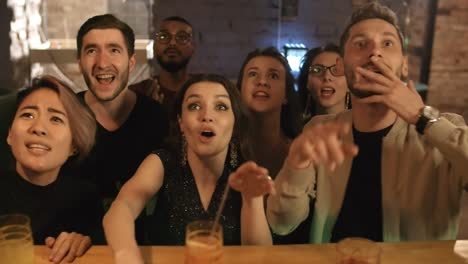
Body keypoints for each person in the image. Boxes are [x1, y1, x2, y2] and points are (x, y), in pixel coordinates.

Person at [267, 1, 468, 243]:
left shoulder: (442, 130)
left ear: (404, 65)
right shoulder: (320, 130)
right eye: (361, 44)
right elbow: (281, 223)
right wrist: (296, 163)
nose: (375, 53)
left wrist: (422, 118)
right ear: (341, 64)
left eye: (387, 43)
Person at [103, 74, 274, 263]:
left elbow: (259, 256)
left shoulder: (244, 174)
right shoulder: (162, 162)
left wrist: (253, 200)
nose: (207, 116)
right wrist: (126, 252)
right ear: (181, 123)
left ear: (234, 125)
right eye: (194, 106)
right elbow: (122, 208)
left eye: (221, 107)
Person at [74, 14, 169, 243]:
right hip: (74, 246)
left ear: (131, 62)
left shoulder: (156, 117)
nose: (103, 62)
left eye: (114, 50)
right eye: (91, 51)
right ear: (79, 62)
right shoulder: (65, 114)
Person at [0, 75, 103, 263]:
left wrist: (83, 243)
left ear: (74, 145)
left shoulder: (85, 199)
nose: (39, 128)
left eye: (55, 119)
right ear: (9, 135)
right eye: (28, 115)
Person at [237, 47, 301, 178]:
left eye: (273, 76)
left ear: (286, 95)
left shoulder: (299, 152)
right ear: (239, 90)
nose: (262, 82)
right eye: (253, 74)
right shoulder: (223, 150)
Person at [129, 16, 195, 112]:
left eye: (182, 37)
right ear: (154, 46)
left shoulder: (204, 90)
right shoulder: (135, 94)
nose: (172, 43)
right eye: (164, 36)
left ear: (193, 48)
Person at [298, 43, 350, 124]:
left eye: (336, 70)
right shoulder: (297, 132)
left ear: (349, 84)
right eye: (317, 70)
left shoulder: (365, 128)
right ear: (307, 82)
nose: (326, 77)